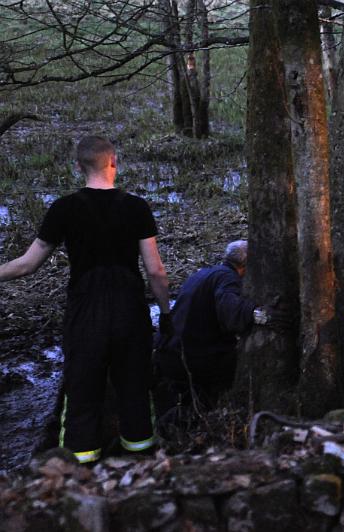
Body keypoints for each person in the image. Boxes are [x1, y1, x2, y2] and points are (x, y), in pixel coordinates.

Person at [0, 135, 171, 465]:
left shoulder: (64, 208)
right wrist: (165, 312)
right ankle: (142, 467)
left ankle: (81, 474)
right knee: (135, 389)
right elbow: (156, 271)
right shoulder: (137, 206)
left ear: (78, 166)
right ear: (114, 162)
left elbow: (27, 264)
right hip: (129, 310)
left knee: (81, 393)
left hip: (85, 310)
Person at [153, 240, 285, 413]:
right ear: (246, 266)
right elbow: (228, 307)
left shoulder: (204, 274)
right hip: (192, 357)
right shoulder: (227, 277)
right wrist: (260, 315)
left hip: (170, 351)